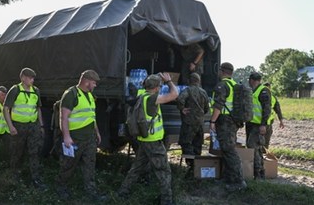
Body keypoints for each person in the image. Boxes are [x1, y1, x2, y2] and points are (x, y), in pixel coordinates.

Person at [118, 72, 178, 205]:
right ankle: (167, 200)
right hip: (153, 142)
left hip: (144, 140)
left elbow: (146, 85)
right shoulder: (152, 99)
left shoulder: (142, 95)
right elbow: (174, 94)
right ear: (157, 88)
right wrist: (169, 81)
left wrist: (153, 79)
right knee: (163, 170)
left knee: (137, 168)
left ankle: (122, 193)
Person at [55, 69, 104, 201]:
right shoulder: (71, 94)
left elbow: (91, 116)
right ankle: (61, 187)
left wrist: (97, 132)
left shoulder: (89, 95)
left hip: (90, 138)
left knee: (90, 165)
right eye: (94, 83)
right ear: (86, 81)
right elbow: (63, 117)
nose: (95, 86)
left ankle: (91, 192)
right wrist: (66, 137)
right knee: (68, 165)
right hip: (74, 139)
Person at [3, 67, 46, 189]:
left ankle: (35, 179)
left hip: (33, 126)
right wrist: (10, 126)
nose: (32, 80)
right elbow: (6, 108)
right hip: (18, 126)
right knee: (17, 152)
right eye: (29, 78)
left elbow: (38, 109)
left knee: (34, 152)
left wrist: (41, 125)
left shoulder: (36, 91)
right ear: (22, 78)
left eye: (33, 78)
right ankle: (15, 175)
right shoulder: (15, 90)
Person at [209, 62, 247, 191]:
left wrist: (212, 121)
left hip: (225, 121)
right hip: (233, 121)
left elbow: (218, 105)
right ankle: (228, 178)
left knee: (229, 150)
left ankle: (238, 182)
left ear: (222, 71)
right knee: (226, 150)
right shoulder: (234, 84)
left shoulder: (222, 85)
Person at [176, 72, 209, 166]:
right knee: (197, 145)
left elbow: (180, 99)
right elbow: (207, 108)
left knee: (186, 143)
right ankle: (196, 168)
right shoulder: (204, 92)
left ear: (189, 81)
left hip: (189, 122)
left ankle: (191, 165)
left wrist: (182, 109)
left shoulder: (188, 90)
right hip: (200, 123)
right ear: (199, 81)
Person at [246, 72, 272, 180]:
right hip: (251, 124)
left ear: (252, 80)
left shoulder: (263, 91)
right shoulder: (253, 91)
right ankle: (260, 173)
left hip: (258, 125)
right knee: (256, 148)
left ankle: (258, 174)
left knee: (253, 146)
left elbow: (267, 109)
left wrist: (263, 125)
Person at [263, 82, 285, 151]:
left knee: (266, 142)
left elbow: (277, 109)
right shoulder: (271, 97)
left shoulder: (273, 97)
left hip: (268, 123)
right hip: (262, 123)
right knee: (263, 142)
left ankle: (264, 156)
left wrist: (281, 121)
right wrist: (281, 121)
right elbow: (278, 110)